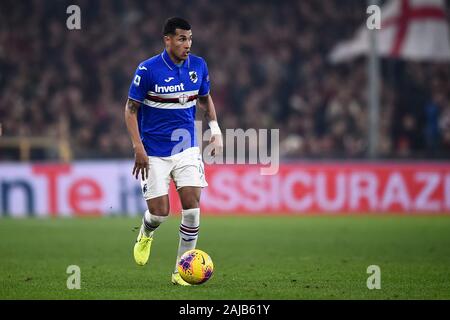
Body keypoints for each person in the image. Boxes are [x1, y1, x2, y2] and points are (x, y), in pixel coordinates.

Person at [124, 17, 223, 286]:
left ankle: (181, 270)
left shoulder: (198, 66)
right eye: (181, 39)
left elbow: (204, 97)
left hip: (186, 147)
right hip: (153, 151)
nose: (187, 44)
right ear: (167, 39)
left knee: (192, 208)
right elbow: (131, 110)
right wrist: (138, 147)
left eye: (190, 39)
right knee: (159, 213)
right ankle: (146, 232)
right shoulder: (148, 70)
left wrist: (215, 129)